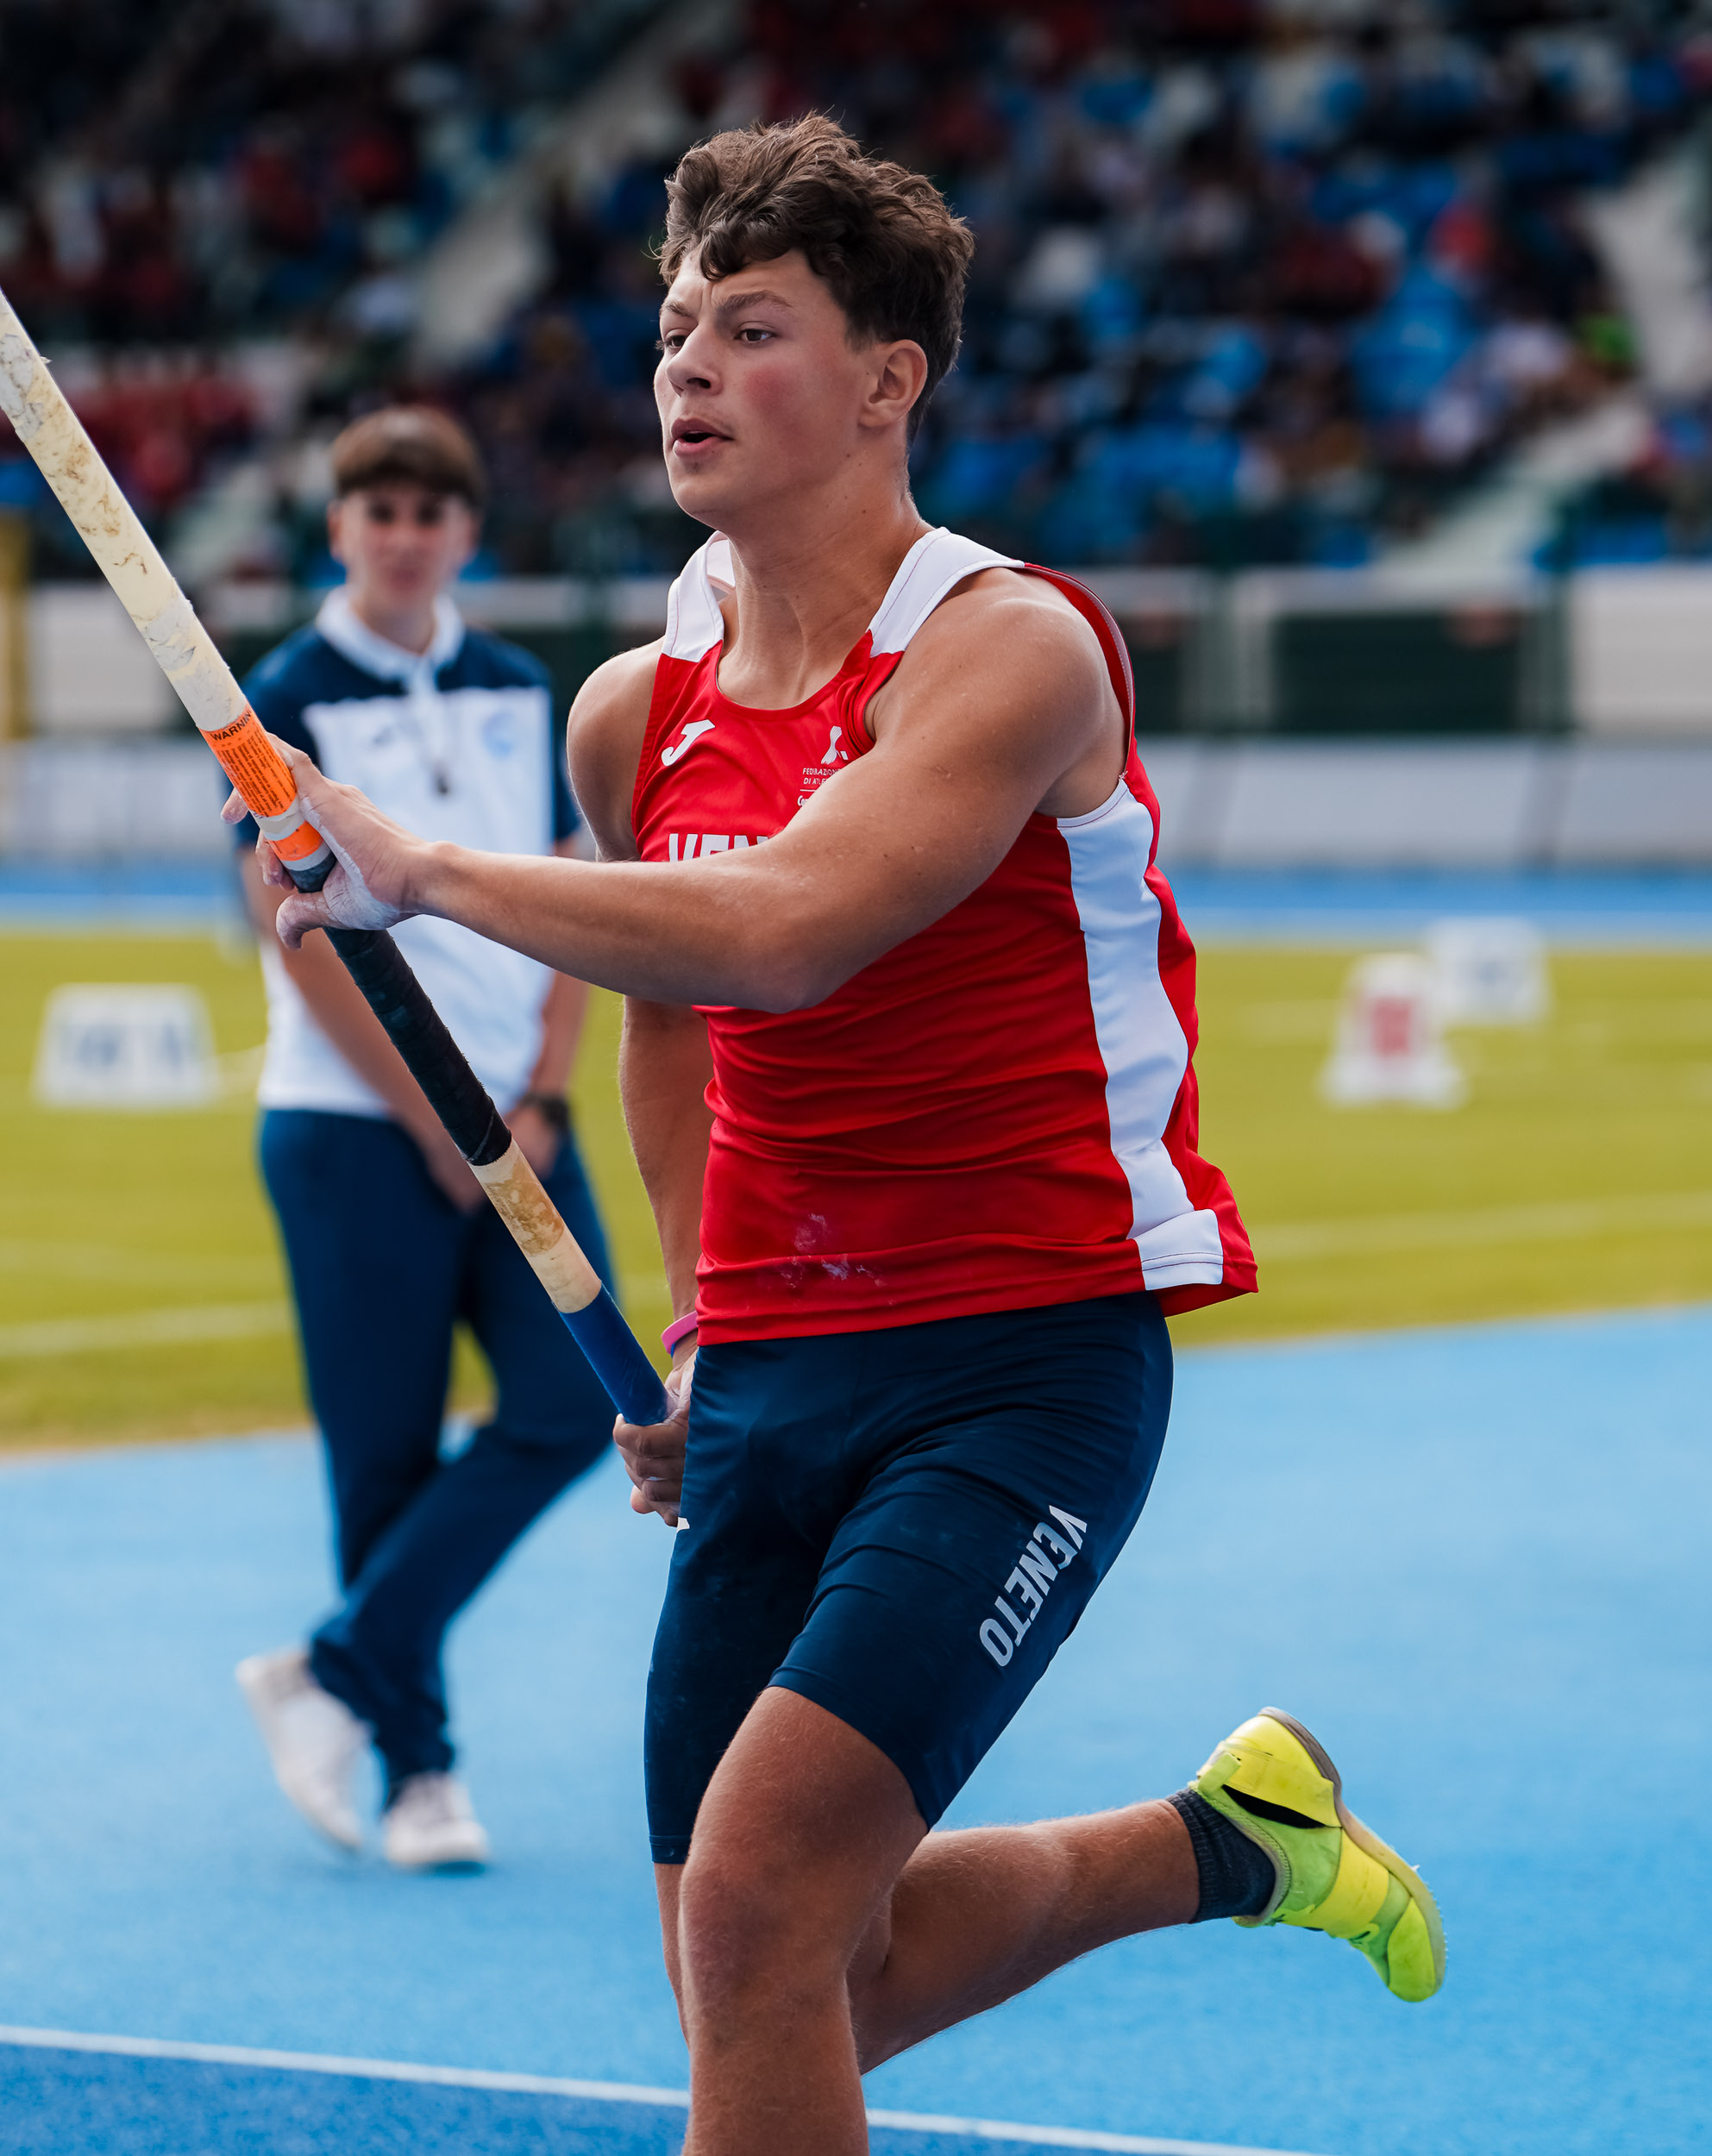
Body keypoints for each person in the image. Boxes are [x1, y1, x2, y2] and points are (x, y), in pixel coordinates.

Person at [234, 119, 1444, 2149]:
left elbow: (786, 930)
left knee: (758, 1917)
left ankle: (1221, 1844)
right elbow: (673, 1024)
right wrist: (700, 1320)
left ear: (890, 378)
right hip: (775, 1370)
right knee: (791, 1970)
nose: (685, 369)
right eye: (673, 331)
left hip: (1019, 1358)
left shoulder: (1011, 648)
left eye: (750, 328)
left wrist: (424, 869)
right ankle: (1228, 1842)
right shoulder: (631, 710)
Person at [231, 406, 618, 1872]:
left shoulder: (521, 685)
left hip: (519, 1122)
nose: (403, 538)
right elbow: (294, 937)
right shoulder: (284, 698)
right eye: (378, 512)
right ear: (339, 531)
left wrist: (545, 1095)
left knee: (574, 1404)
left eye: (429, 513)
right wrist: (427, 1118)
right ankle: (421, 1773)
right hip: (355, 1132)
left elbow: (571, 897)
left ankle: (334, 1665)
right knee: (381, 1454)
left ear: (466, 534)